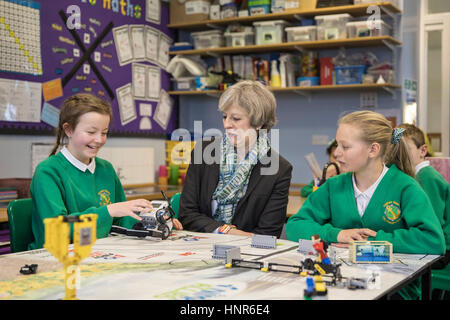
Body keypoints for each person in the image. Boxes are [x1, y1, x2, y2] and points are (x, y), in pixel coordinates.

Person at [29, 93, 181, 250]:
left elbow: (121, 219)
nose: (99, 139)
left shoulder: (106, 169)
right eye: (91, 132)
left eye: (104, 132)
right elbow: (58, 226)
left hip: (99, 253)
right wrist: (108, 211)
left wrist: (153, 223)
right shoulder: (48, 172)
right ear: (68, 130)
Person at [286, 110, 445, 255]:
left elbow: (433, 240)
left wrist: (375, 241)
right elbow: (295, 226)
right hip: (344, 278)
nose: (336, 153)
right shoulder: (333, 186)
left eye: (345, 147)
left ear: (373, 150)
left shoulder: (406, 187)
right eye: (337, 145)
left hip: (397, 283)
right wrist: (338, 234)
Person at [178, 80, 293, 238]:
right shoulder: (203, 151)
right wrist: (226, 231)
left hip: (247, 255)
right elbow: (186, 214)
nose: (226, 124)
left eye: (236, 119)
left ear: (258, 123)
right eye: (225, 117)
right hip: (198, 246)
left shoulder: (280, 169)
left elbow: (268, 233)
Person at [398, 123, 449, 268]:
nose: (399, 155)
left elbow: (433, 224)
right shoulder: (411, 177)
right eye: (395, 150)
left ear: (423, 150)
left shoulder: (427, 177)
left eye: (405, 149)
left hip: (441, 249)